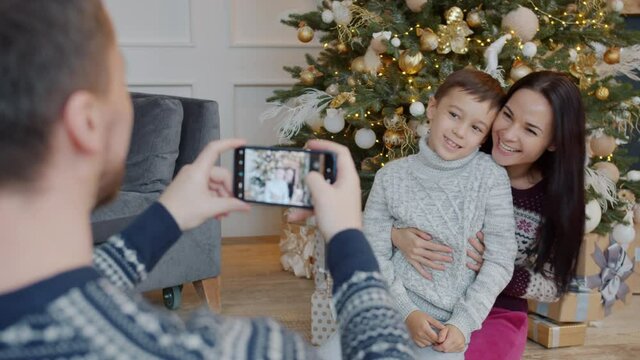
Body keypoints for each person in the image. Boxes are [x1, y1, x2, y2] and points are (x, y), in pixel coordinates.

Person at [0, 1, 415, 359]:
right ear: (86, 123)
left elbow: (74, 290)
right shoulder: (231, 350)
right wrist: (346, 234)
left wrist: (169, 215)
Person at [391, 71, 586, 359]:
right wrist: (396, 236)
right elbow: (381, 210)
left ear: (554, 142)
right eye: (507, 115)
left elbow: (553, 286)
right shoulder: (455, 153)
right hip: (423, 294)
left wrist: (495, 269)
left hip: (497, 311)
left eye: (530, 130)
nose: (508, 134)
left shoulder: (555, 199)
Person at [364, 69, 517, 359]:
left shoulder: (491, 178)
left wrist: (463, 323)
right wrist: (406, 312)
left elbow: (499, 260)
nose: (460, 131)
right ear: (433, 108)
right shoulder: (391, 177)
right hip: (388, 306)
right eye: (455, 115)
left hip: (446, 326)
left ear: (484, 136)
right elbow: (372, 252)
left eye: (476, 128)